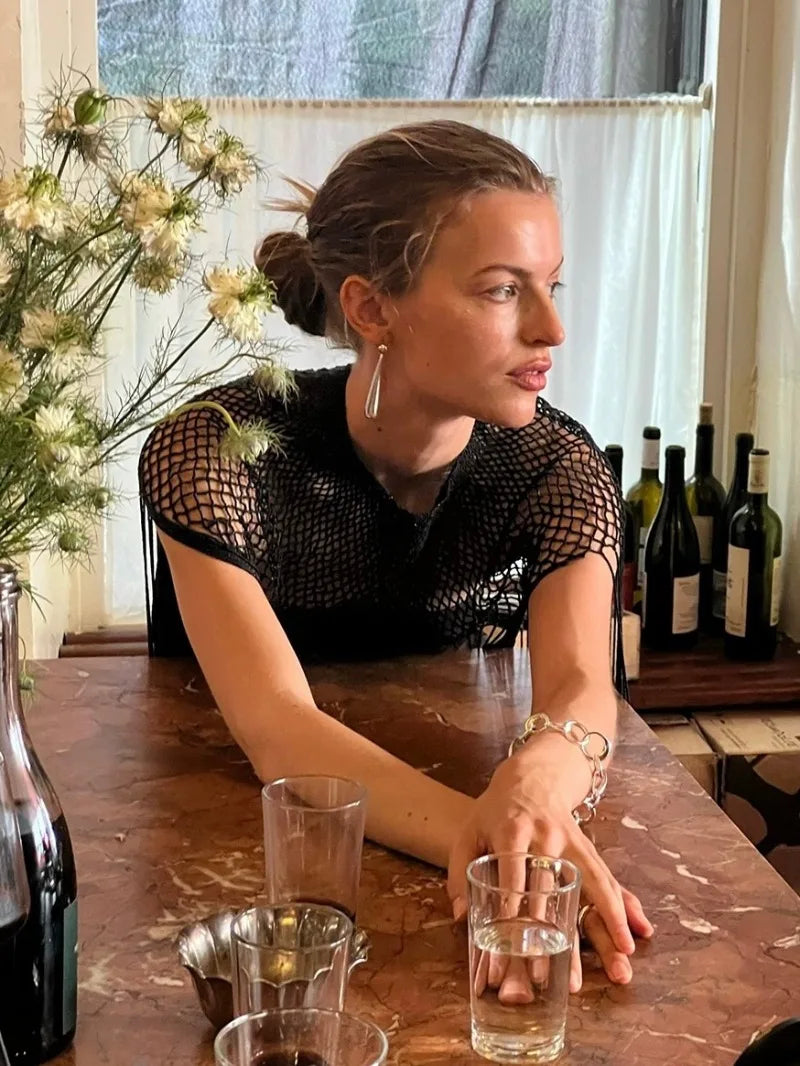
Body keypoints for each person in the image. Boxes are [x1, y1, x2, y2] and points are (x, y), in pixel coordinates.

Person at [139, 119, 653, 996]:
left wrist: (536, 788)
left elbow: (579, 684)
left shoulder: (559, 469)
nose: (553, 328)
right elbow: (279, 732)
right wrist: (504, 851)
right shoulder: (219, 449)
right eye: (504, 291)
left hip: (434, 848)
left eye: (552, 285)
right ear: (373, 308)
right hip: (242, 874)